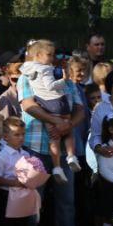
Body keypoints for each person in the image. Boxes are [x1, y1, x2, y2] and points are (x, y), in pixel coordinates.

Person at [20, 40, 82, 180]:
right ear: (39, 55)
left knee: (66, 201)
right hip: (35, 148)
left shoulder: (68, 80)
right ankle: (59, 167)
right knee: (35, 197)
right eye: (53, 55)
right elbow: (28, 105)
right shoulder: (26, 77)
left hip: (64, 151)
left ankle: (62, 165)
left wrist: (68, 124)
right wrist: (58, 122)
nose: (56, 59)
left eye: (58, 56)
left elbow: (80, 110)